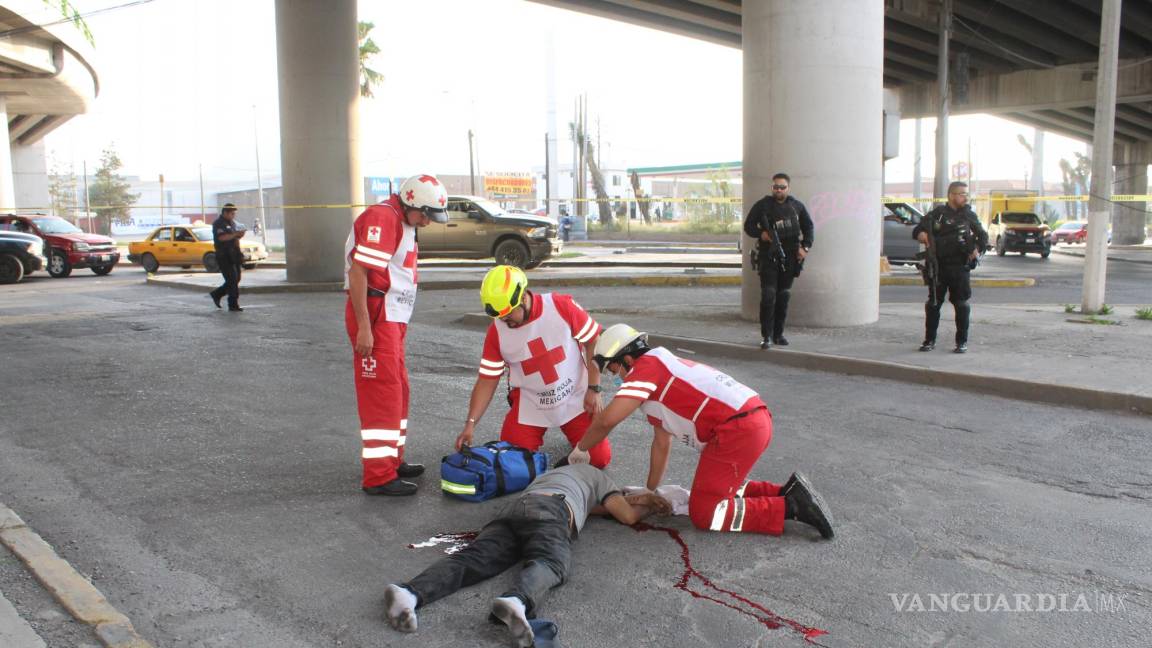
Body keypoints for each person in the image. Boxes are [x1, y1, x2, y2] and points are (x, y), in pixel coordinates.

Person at [568, 324, 834, 540]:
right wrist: (651, 490)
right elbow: (661, 443)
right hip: (749, 420)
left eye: (614, 370)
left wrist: (581, 449)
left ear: (626, 359)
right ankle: (785, 492)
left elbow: (606, 421)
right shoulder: (661, 370)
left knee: (705, 513)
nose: (617, 379)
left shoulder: (646, 369)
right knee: (712, 491)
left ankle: (790, 508)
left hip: (737, 428)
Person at [382, 464, 670, 646]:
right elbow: (626, 515)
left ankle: (409, 593)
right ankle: (516, 600)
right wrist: (649, 504)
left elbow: (592, 507)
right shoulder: (599, 477)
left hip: (516, 509)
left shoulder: (554, 475)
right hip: (552, 511)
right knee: (552, 562)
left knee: (472, 560)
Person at [345, 173, 448, 496]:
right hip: (376, 316)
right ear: (411, 203)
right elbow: (359, 273)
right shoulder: (382, 218)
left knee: (397, 390)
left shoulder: (402, 219)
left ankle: (392, 460)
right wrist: (365, 327)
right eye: (426, 215)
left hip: (390, 316)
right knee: (381, 394)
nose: (428, 223)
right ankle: (378, 476)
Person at [455, 265, 612, 467]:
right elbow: (487, 379)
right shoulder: (497, 332)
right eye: (499, 316)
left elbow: (593, 341)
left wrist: (594, 388)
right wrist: (470, 425)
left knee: (598, 459)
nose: (504, 320)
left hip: (576, 398)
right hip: (531, 404)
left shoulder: (560, 306)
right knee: (512, 463)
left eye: (508, 313)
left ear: (521, 298)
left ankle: (575, 443)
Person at [913, 181, 988, 354]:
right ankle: (929, 340)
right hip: (939, 266)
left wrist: (977, 249)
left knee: (961, 304)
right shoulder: (938, 214)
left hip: (960, 267)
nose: (965, 197)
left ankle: (961, 342)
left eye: (966, 194)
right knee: (933, 304)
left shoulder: (969, 216)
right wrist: (921, 234)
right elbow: (917, 229)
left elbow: (982, 236)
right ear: (951, 195)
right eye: (962, 194)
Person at [742, 173, 814, 349]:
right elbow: (748, 226)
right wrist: (762, 234)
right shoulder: (763, 205)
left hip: (790, 256)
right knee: (768, 295)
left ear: (788, 188)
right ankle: (766, 336)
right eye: (776, 187)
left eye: (782, 187)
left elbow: (808, 227)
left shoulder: (797, 206)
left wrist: (805, 248)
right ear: (772, 187)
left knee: (783, 296)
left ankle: (778, 334)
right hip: (768, 256)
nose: (779, 190)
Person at [209, 203, 246, 312]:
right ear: (225, 213)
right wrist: (235, 234)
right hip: (224, 255)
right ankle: (233, 304)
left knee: (236, 279)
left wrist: (239, 235)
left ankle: (217, 294)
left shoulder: (232, 223)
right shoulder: (218, 223)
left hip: (234, 254)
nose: (233, 216)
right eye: (231, 213)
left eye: (234, 214)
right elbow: (222, 238)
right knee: (232, 280)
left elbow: (234, 237)